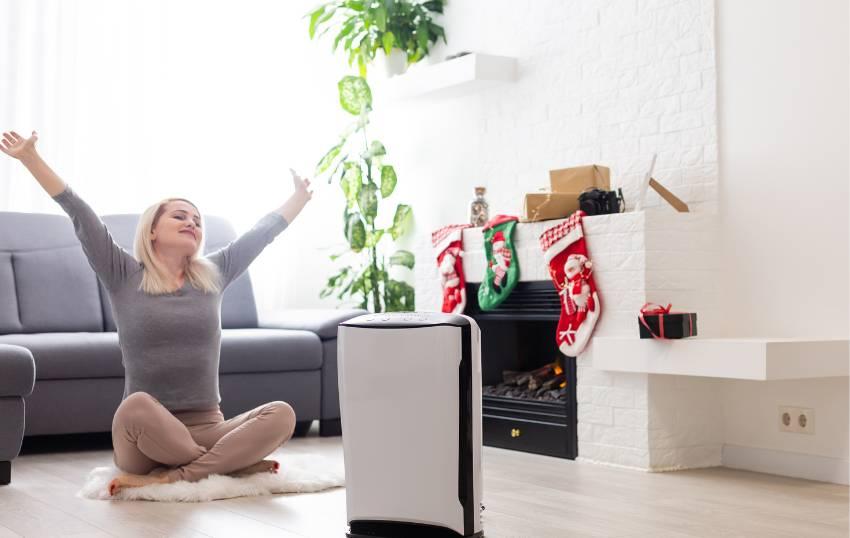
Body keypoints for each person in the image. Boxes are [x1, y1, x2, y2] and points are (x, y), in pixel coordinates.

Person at [0, 130, 312, 496]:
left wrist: (299, 198)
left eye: (197, 220)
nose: (192, 223)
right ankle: (228, 465)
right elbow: (79, 211)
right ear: (151, 231)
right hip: (145, 436)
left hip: (208, 427)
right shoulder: (122, 273)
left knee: (282, 414)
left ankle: (177, 476)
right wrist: (31, 158)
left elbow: (262, 233)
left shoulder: (215, 272)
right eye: (180, 216)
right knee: (135, 406)